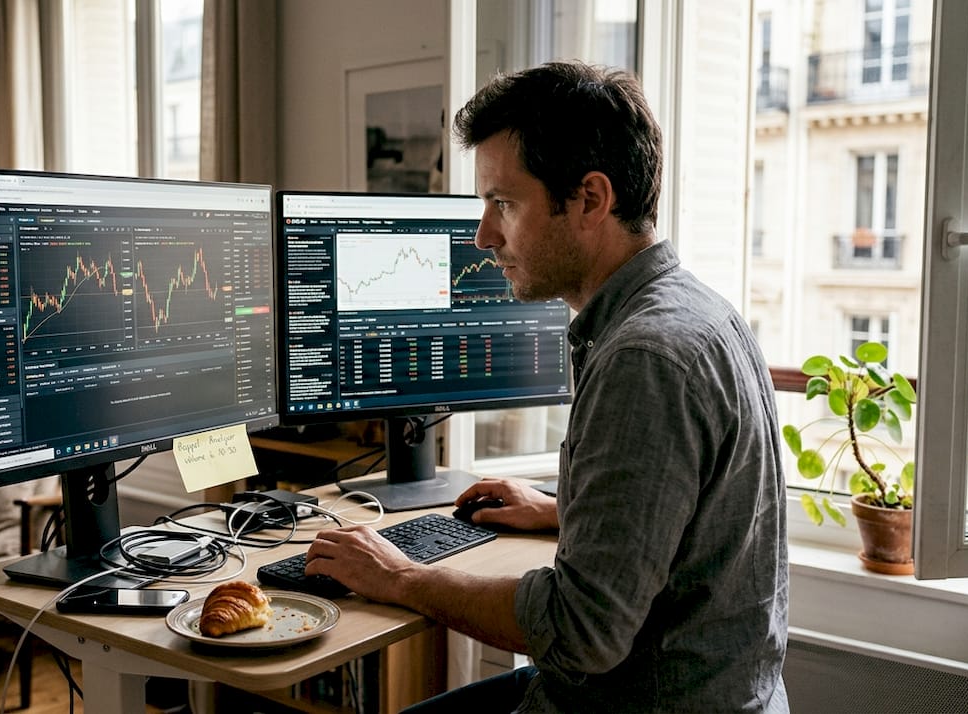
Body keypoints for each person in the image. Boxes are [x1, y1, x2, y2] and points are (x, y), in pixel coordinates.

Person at [303, 61, 789, 713]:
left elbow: (583, 630)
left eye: (504, 203)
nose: (483, 236)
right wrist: (564, 509)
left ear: (590, 199)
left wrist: (401, 577)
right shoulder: (699, 312)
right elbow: (693, 517)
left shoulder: (644, 359)